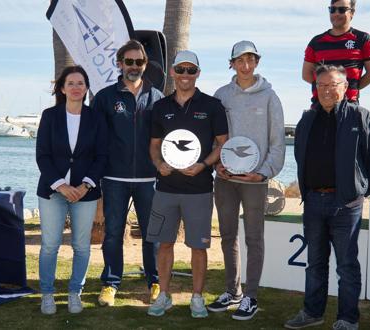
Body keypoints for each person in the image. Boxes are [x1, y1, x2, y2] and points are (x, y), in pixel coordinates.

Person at [284, 64, 370, 330]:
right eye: (322, 86)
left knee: (347, 266)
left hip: (347, 205)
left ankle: (347, 318)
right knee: (315, 263)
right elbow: (300, 156)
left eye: (333, 85)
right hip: (314, 203)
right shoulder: (307, 119)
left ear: (345, 87)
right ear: (315, 89)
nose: (327, 91)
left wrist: (359, 191)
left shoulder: (362, 118)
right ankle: (312, 312)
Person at [146, 50, 228, 318]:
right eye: (180, 69)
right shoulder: (161, 107)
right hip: (166, 189)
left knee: (199, 246)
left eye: (190, 70)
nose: (185, 74)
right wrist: (159, 165)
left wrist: (204, 165)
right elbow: (154, 146)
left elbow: (222, 144)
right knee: (164, 244)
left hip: (200, 189)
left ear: (198, 73)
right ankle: (164, 296)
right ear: (172, 72)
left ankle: (196, 298)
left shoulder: (212, 105)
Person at [208, 40, 285, 321]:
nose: (246, 65)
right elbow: (212, 137)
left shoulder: (269, 97)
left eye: (251, 59)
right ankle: (233, 290)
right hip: (225, 180)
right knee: (228, 236)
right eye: (240, 60)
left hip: (256, 180)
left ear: (257, 62)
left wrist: (264, 172)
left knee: (254, 238)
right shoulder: (221, 96)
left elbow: (277, 144)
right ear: (231, 63)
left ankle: (251, 296)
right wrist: (217, 164)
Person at [92, 40, 164, 306]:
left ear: (145, 65)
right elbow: (96, 141)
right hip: (114, 179)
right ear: (119, 63)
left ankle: (155, 281)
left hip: (149, 179)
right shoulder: (105, 98)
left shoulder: (157, 98)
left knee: (152, 234)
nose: (134, 67)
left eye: (139, 62)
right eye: (129, 61)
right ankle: (110, 283)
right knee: (112, 234)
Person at [36, 65, 108, 314]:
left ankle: (75, 293)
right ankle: (47, 295)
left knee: (81, 246)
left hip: (85, 192)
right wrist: (61, 185)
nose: (76, 88)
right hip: (52, 191)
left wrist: (85, 184)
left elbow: (102, 156)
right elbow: (42, 156)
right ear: (62, 88)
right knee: (50, 245)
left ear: (87, 88)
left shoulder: (96, 118)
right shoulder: (49, 116)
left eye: (81, 83)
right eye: (71, 83)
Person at [303, 0, 370, 103]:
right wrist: (326, 89)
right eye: (332, 9)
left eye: (342, 10)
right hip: (319, 107)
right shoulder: (316, 42)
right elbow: (306, 74)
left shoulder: (363, 40)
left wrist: (348, 88)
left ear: (352, 13)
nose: (336, 13)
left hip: (349, 107)